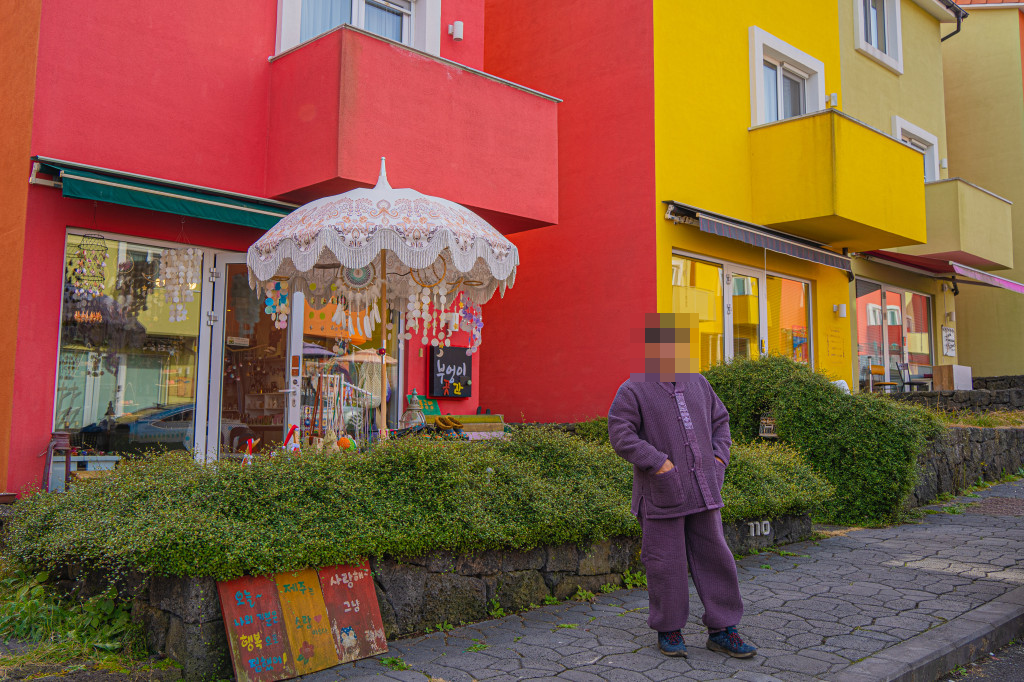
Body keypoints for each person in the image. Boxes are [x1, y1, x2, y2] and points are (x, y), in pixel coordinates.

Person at [607, 312, 756, 659]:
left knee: (716, 559)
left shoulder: (699, 383)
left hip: (705, 491)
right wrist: (658, 462)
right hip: (661, 494)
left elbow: (721, 423)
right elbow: (620, 434)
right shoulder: (634, 389)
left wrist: (719, 460)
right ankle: (669, 629)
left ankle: (723, 629)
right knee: (665, 564)